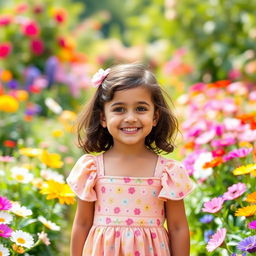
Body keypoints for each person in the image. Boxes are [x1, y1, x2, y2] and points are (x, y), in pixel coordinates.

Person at [66, 63, 194, 256]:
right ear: (103, 117)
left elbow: (178, 228)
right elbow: (82, 224)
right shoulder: (92, 169)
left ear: (155, 117)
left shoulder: (167, 173)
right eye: (119, 109)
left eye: (141, 109)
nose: (131, 118)